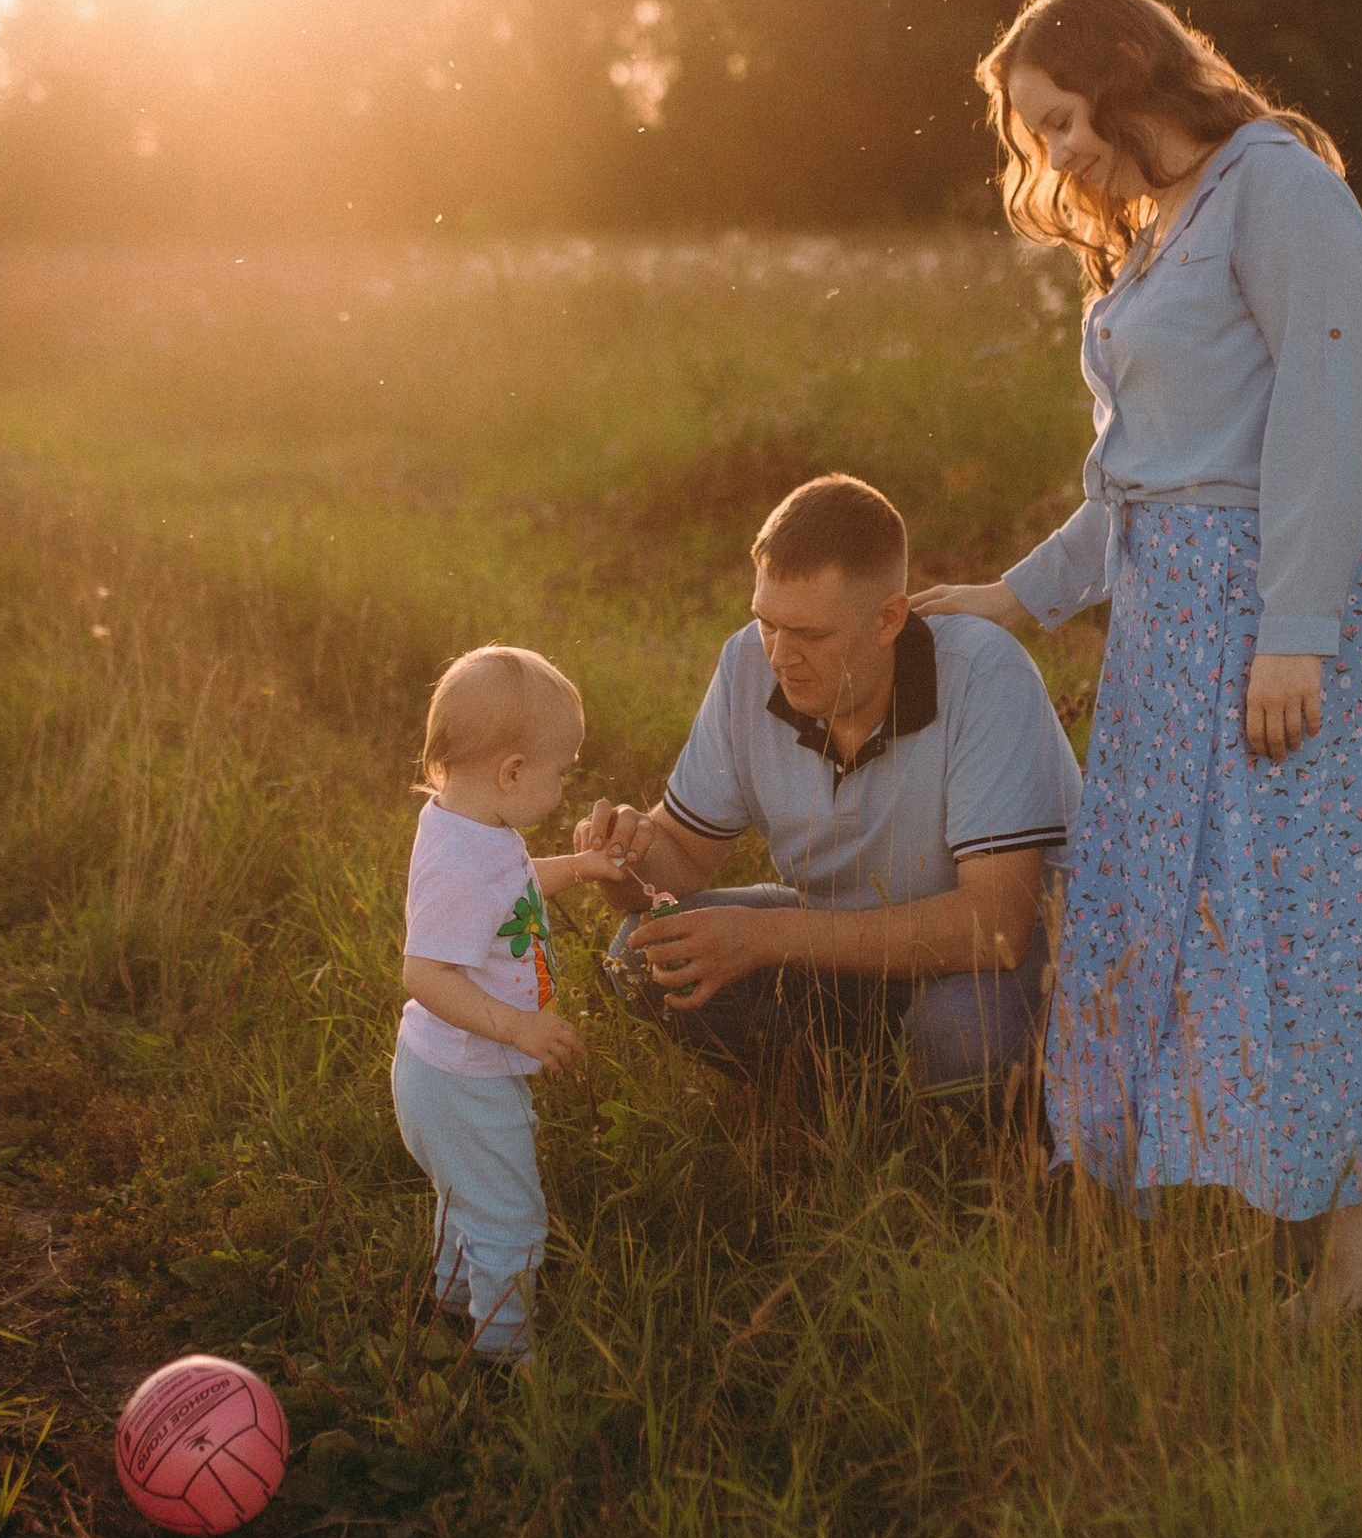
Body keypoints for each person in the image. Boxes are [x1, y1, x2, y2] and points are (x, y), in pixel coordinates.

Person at [914, 0, 1362, 1318]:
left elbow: (1326, 411)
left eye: (1063, 118)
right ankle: (1130, 1198)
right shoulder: (1155, 227)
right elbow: (1137, 479)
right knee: (1151, 908)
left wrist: (1296, 635)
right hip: (1167, 623)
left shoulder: (1276, 188)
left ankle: (1357, 1253)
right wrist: (1017, 597)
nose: (1056, 155)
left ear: (1130, 74)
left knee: (1303, 915)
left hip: (1276, 609)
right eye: (1037, 135)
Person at [574, 472, 1081, 1104]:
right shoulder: (748, 665)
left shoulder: (984, 673)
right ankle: (841, 1108)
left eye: (810, 634)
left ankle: (972, 1136)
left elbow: (996, 928)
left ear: (888, 619)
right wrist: (620, 854)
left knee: (961, 1036)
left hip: (1007, 962)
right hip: (842, 939)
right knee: (645, 952)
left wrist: (767, 938)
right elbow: (681, 856)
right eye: (767, 622)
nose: (780, 655)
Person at [391, 645, 632, 1365]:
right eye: (563, 774)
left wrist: (580, 868)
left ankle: (450, 1306)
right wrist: (516, 1025)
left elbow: (515, 885)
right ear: (513, 772)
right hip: (465, 1079)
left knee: (467, 1200)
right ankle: (503, 1364)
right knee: (511, 1223)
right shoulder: (461, 863)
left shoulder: (476, 829)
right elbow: (424, 973)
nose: (564, 789)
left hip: (446, 1073)